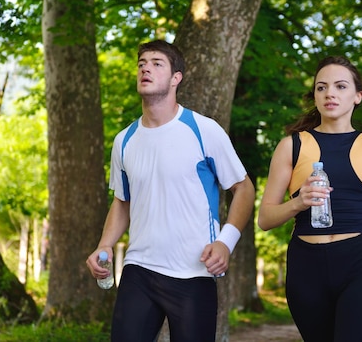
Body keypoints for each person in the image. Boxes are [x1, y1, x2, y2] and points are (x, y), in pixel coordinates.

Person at [86, 39, 255, 342]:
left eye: (156, 63)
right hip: (140, 269)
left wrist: (225, 243)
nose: (145, 69)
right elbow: (122, 202)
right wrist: (104, 245)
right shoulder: (124, 140)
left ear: (176, 78)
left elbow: (244, 189)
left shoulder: (204, 130)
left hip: (193, 272)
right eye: (141, 64)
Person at [258, 56, 362, 342]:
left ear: (358, 96)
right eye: (321, 87)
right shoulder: (290, 146)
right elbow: (265, 219)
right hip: (305, 268)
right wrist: (298, 202)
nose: (330, 93)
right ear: (315, 96)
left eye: (340, 86)